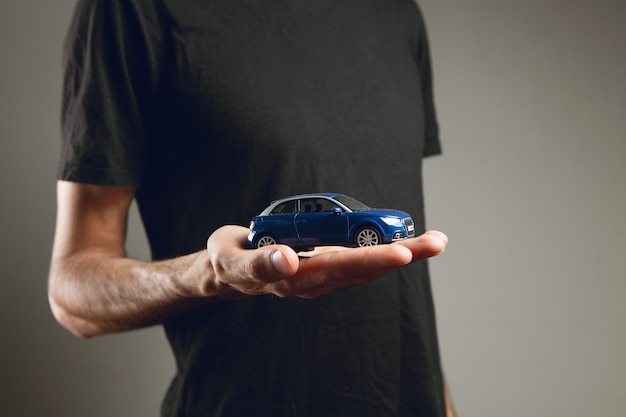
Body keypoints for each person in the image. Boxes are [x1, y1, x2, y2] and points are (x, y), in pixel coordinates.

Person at [48, 0, 456, 416]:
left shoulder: (396, 12)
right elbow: (71, 296)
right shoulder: (130, 10)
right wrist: (207, 275)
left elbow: (406, 288)